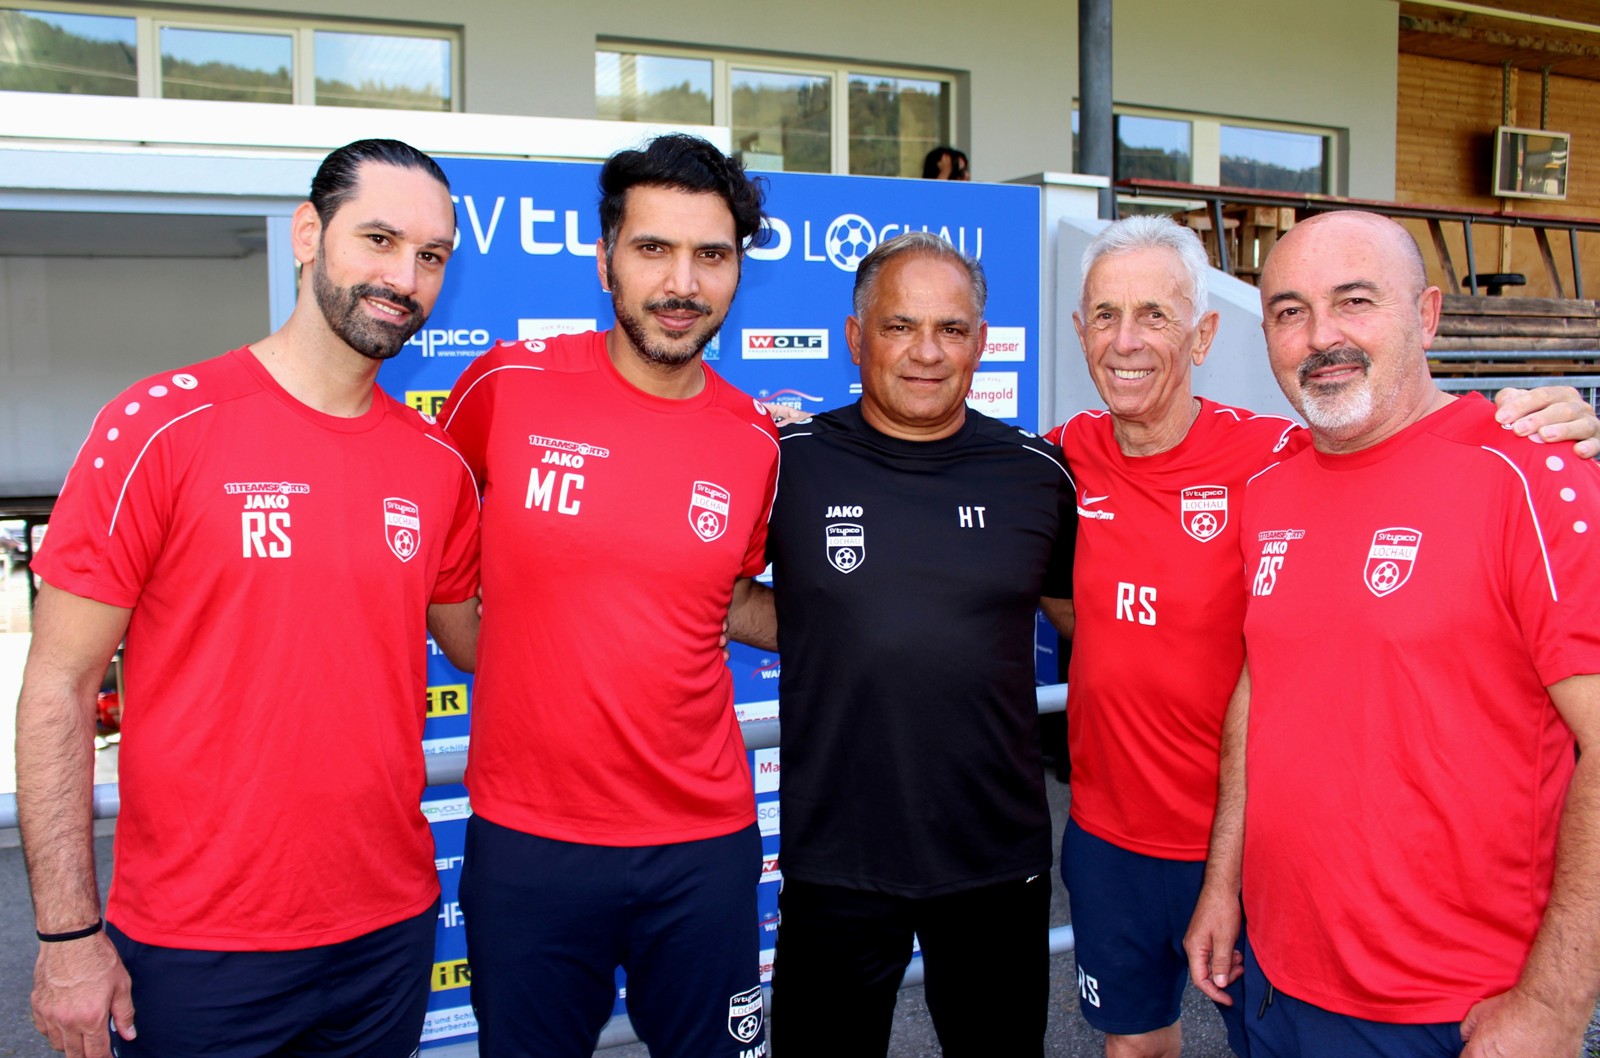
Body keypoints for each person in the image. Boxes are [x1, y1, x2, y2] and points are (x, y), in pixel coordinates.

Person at [1050, 215, 1600, 1058]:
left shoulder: (1524, 471)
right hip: (1262, 949)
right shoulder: (1251, 481)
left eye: (1355, 301)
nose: (1320, 336)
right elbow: (1260, 682)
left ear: (1426, 314)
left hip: (1442, 997)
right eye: (1290, 311)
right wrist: (1225, 883)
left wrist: (1555, 1006)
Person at [16, 139, 482, 1058]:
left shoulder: (435, 467)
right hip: (199, 947)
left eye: (430, 256)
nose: (404, 277)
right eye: (379, 239)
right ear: (309, 234)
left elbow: (482, 642)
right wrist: (67, 939)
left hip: (387, 933)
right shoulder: (161, 425)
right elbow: (57, 690)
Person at [439, 134, 778, 1058]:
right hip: (529, 841)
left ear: (737, 272)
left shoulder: (754, 438)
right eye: (653, 248)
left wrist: (881, 622)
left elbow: (724, 597)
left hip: (703, 845)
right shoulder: (505, 385)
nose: (682, 283)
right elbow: (428, 542)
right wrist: (483, 647)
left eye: (711, 255)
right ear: (605, 261)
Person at [732, 231, 1076, 1058]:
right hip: (836, 858)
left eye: (951, 329)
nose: (927, 352)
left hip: (996, 859)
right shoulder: (785, 464)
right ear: (856, 338)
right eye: (899, 326)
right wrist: (838, 627)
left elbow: (1088, 624)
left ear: (980, 343)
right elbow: (726, 597)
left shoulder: (1038, 474)